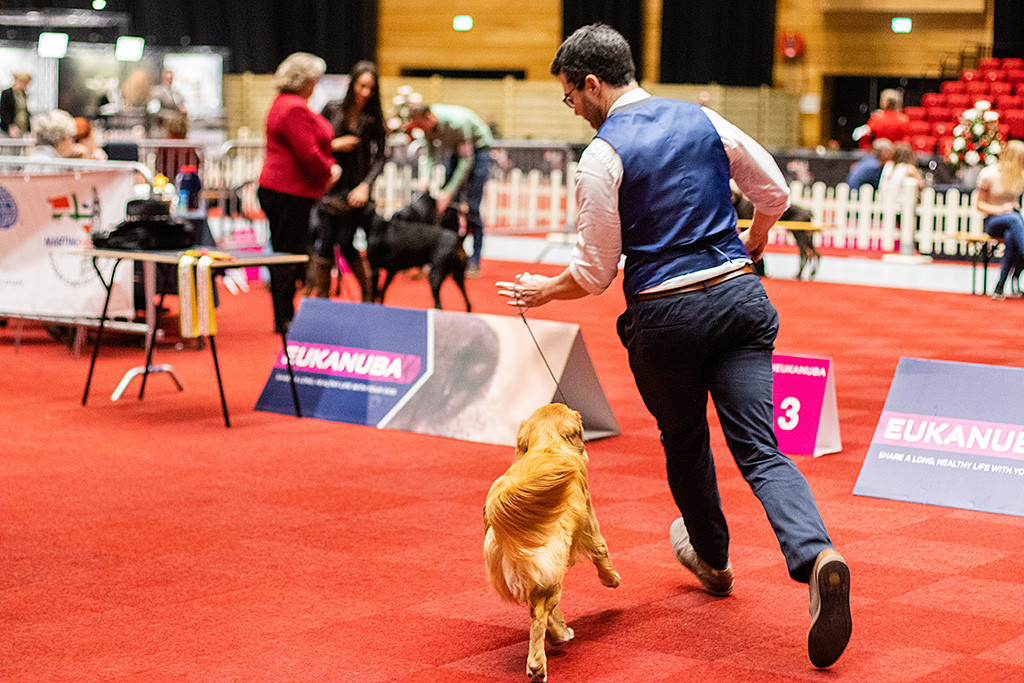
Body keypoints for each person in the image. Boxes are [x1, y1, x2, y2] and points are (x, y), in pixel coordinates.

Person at [497, 24, 851, 669]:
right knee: (761, 451)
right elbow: (775, 192)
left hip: (666, 319)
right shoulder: (704, 119)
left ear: (594, 84)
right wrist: (755, 238)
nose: (571, 107)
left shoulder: (602, 156)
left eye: (570, 95)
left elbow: (597, 272)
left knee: (686, 441)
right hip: (741, 302)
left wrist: (544, 292)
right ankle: (816, 555)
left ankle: (714, 563)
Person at [257, 53, 340, 334]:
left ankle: (284, 315)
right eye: (315, 79)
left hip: (281, 190)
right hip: (289, 192)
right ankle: (284, 318)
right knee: (287, 257)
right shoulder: (294, 108)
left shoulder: (283, 103)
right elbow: (308, 153)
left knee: (285, 253)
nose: (317, 84)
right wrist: (330, 170)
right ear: (305, 81)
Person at [307, 60, 386, 301]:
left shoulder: (373, 119)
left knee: (345, 241)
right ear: (352, 84)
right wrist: (334, 144)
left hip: (355, 189)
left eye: (370, 88)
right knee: (326, 242)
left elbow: (382, 156)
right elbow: (311, 141)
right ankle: (322, 298)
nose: (365, 92)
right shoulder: (332, 108)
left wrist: (366, 185)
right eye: (362, 86)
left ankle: (367, 295)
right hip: (329, 186)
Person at [407, 102, 493, 276]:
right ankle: (450, 254)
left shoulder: (456, 124)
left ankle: (474, 260)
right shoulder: (427, 128)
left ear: (428, 117)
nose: (421, 130)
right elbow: (430, 155)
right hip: (456, 150)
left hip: (478, 148)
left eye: (421, 125)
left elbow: (466, 161)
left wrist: (449, 191)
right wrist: (425, 177)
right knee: (449, 207)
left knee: (472, 206)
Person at [976, 139, 1024, 300]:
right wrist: (1001, 209)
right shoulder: (989, 174)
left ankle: (999, 286)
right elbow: (980, 205)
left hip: (1013, 223)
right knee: (1015, 219)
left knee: (1011, 236)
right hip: (993, 221)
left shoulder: (1021, 176)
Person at [877, 141, 922, 207]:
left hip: (883, 205)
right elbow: (921, 186)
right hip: (900, 209)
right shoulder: (909, 169)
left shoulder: (887, 166)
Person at [148, 69, 187, 137]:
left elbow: (181, 106)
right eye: (167, 78)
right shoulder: (156, 92)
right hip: (162, 130)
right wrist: (173, 115)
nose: (169, 80)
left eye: (171, 78)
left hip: (177, 131)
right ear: (163, 78)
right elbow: (153, 111)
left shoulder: (176, 93)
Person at [1, 72, 32, 137]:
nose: (25, 85)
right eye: (24, 82)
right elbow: (3, 111)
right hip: (10, 128)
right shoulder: (7, 93)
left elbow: (25, 111)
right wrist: (11, 125)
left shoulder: (23, 94)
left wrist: (29, 129)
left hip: (23, 127)